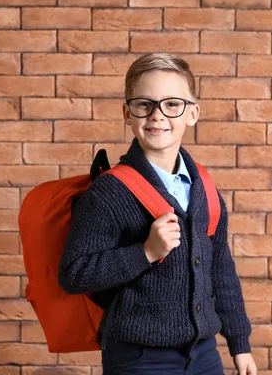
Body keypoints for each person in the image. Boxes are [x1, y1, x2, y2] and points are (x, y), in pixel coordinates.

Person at [59, 52, 257, 375]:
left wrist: (240, 343)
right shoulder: (109, 193)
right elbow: (73, 273)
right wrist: (146, 252)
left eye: (172, 104)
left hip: (203, 354)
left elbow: (221, 269)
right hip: (139, 359)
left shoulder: (205, 189)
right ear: (127, 112)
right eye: (144, 104)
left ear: (192, 114)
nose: (157, 116)